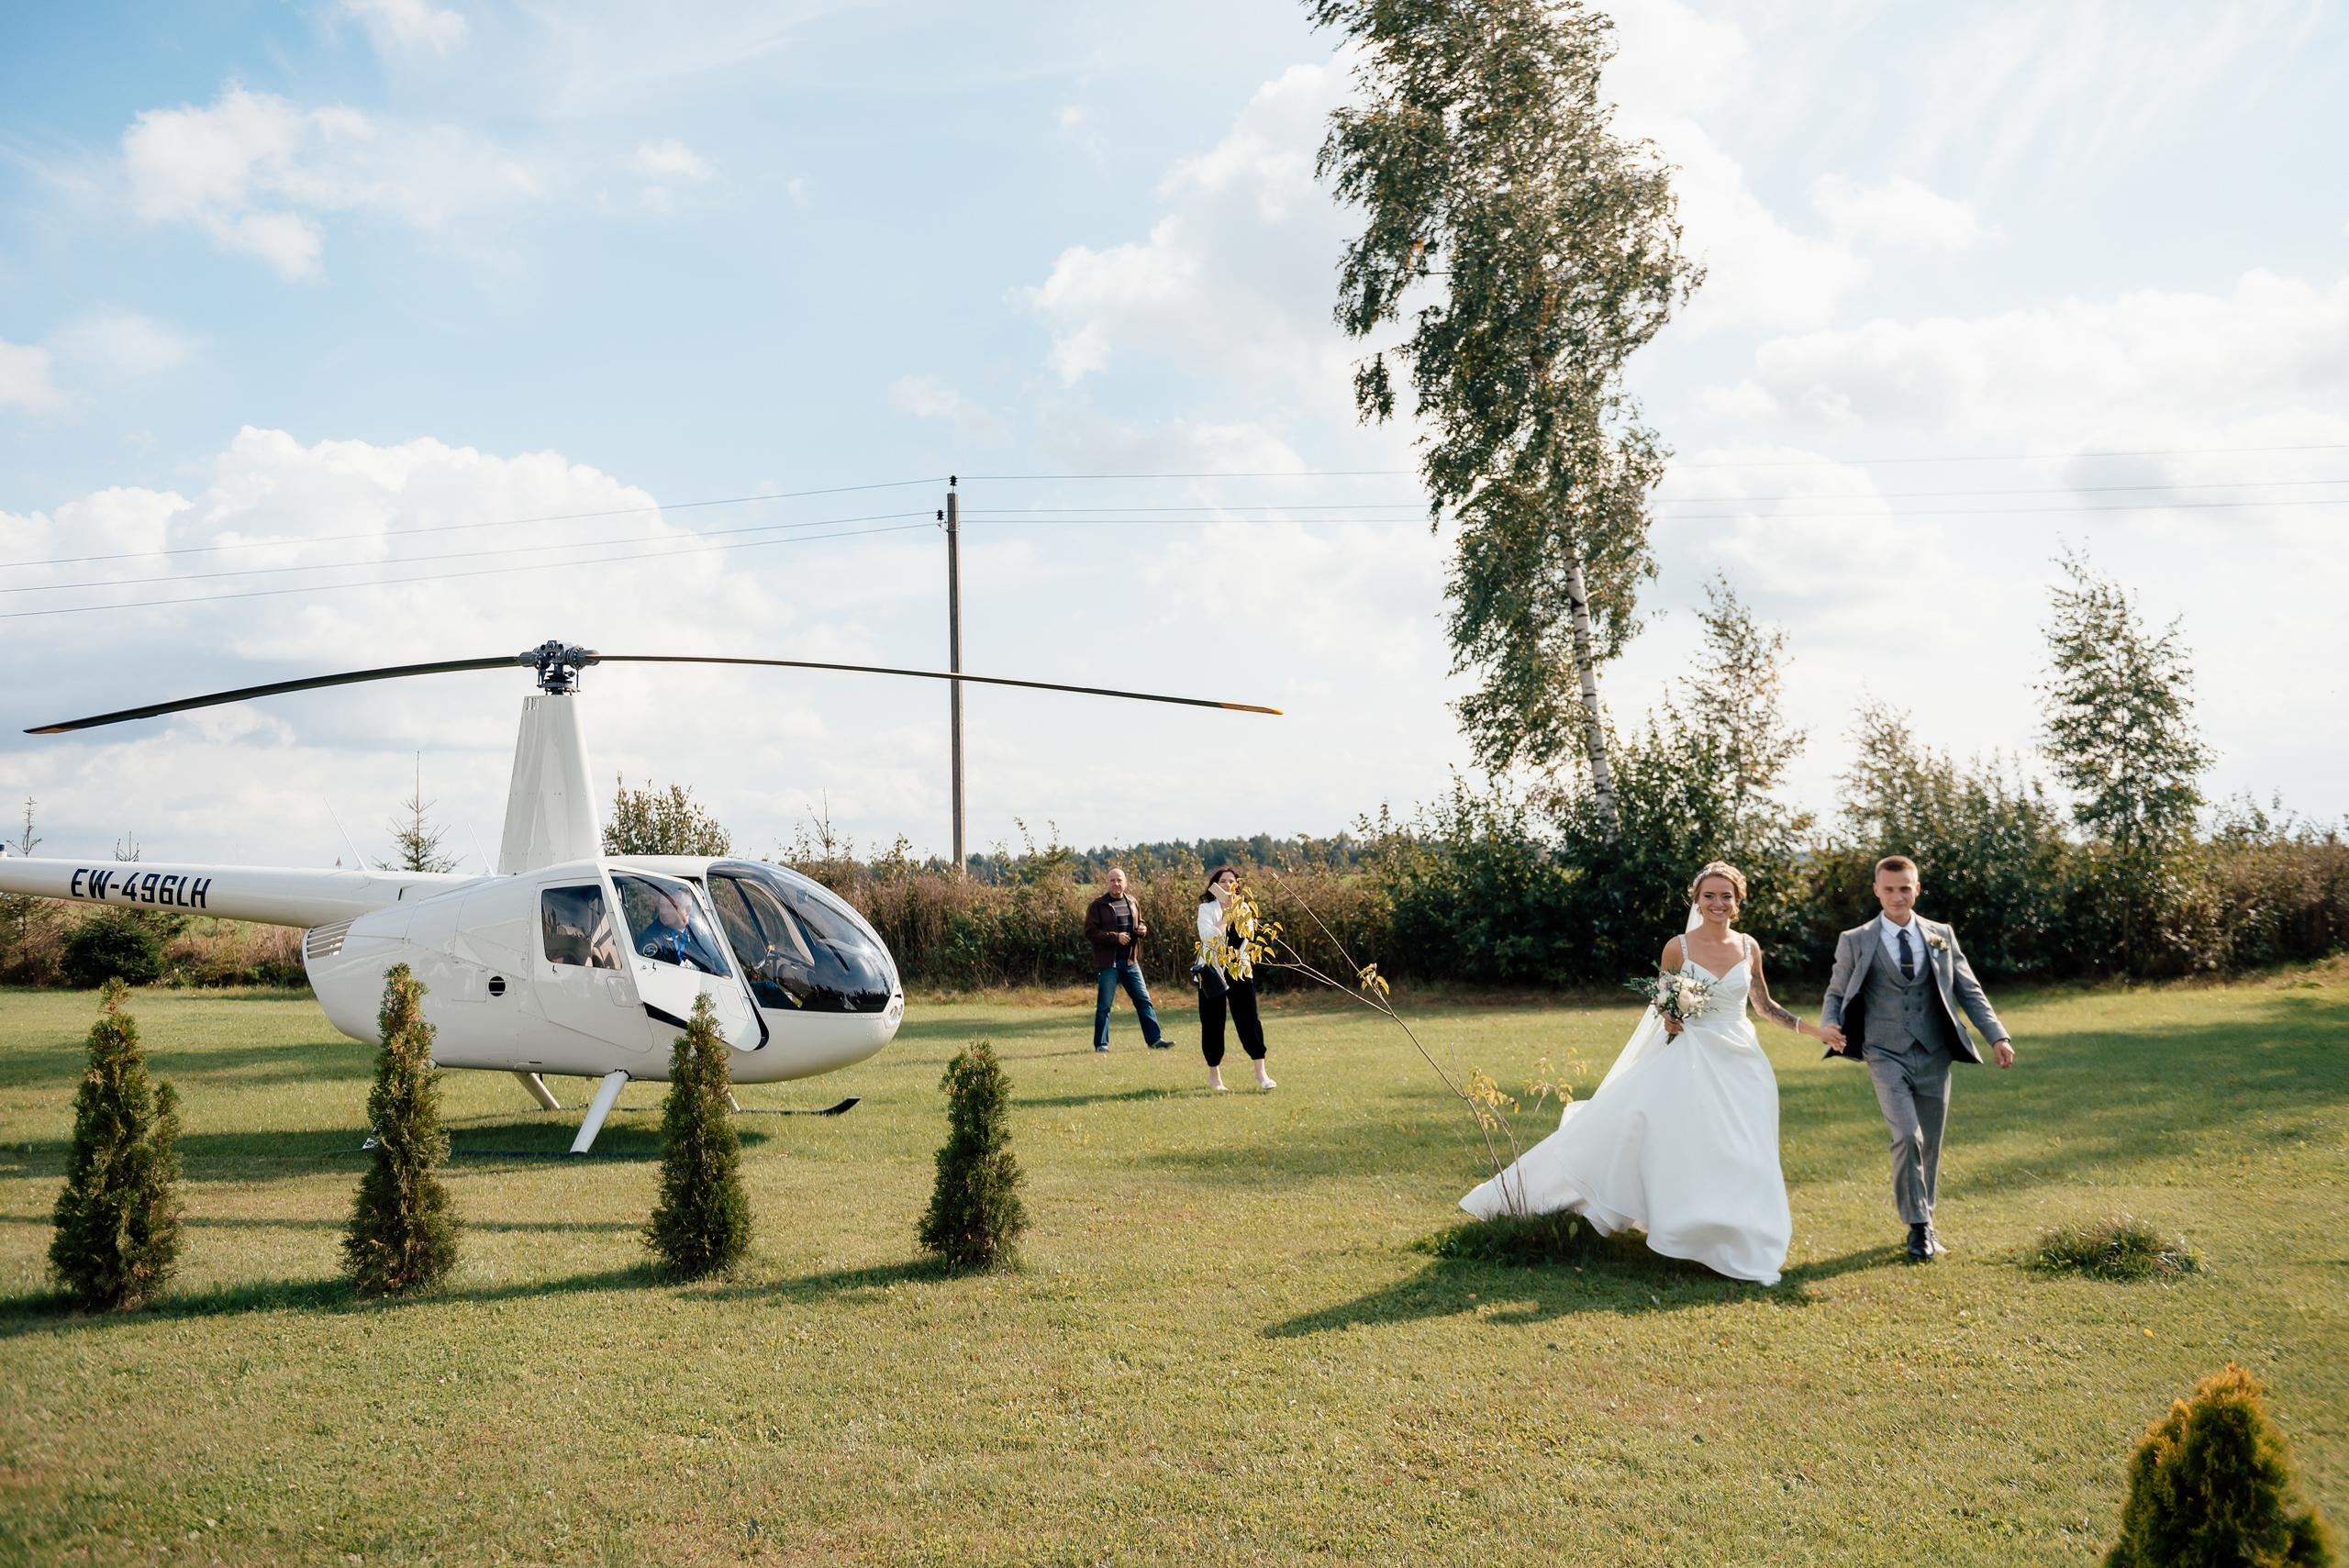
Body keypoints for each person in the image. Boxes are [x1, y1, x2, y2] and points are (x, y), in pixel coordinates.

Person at [1460, 862, 1815, 1285]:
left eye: (1726, 896)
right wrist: (1670, 1016)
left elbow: (1765, 1005)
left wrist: (1813, 1030)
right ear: (1697, 900)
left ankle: (1739, 1235)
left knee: (1742, 1150)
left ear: (1737, 902)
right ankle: (1684, 1226)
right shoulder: (1677, 948)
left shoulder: (1749, 947)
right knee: (1664, 1136)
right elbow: (1663, 1002)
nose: (1718, 903)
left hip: (1742, 1063)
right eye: (1709, 896)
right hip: (1692, 1057)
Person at [1819, 854, 2017, 1262]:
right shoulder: (1855, 939)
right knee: (1907, 1136)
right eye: (1889, 889)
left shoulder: (1940, 934)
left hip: (1934, 1052)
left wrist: (1997, 1035)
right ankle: (1918, 1228)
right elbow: (1836, 992)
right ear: (1876, 890)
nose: (1897, 896)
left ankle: (1926, 1220)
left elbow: (1969, 990)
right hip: (1883, 1051)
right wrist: (1830, 1025)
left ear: (1917, 889)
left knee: (1931, 1145)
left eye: (1905, 888)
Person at [1196, 866, 1275, 1093]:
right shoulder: (1206, 909)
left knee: (1249, 1020)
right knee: (1213, 1022)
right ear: (1215, 885)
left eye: (1232, 881)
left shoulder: (1245, 909)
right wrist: (1225, 917)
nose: (1228, 885)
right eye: (1223, 881)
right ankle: (1215, 1077)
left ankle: (1261, 1074)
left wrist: (1236, 912)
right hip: (1213, 971)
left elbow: (1248, 936)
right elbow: (1208, 936)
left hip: (1239, 970)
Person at [1085, 866, 1169, 1052]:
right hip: (1109, 963)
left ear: (1126, 883)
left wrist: (1143, 930)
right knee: (1105, 1006)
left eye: (1119, 880)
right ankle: (1101, 1044)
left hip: (1131, 962)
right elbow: (1090, 932)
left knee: (1144, 1001)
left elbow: (1141, 922)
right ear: (1107, 883)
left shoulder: (1132, 901)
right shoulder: (1098, 905)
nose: (1116, 883)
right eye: (1112, 880)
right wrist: (1115, 937)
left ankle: (1155, 1040)